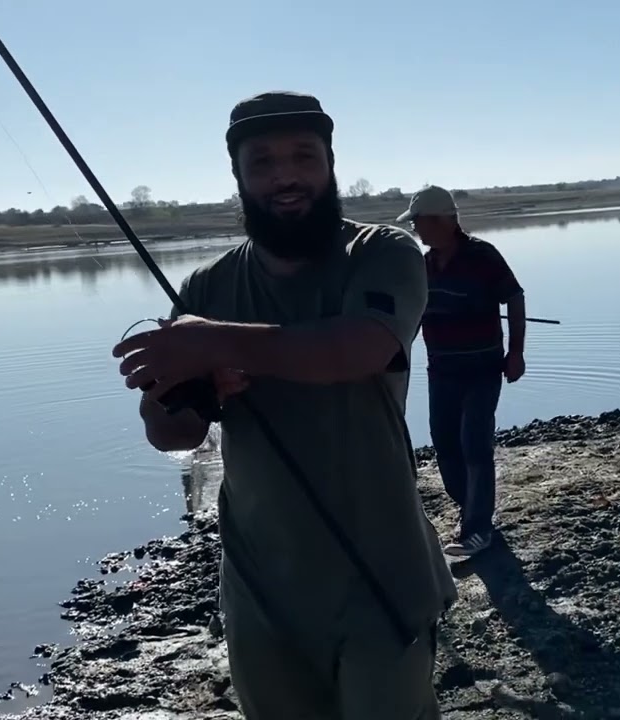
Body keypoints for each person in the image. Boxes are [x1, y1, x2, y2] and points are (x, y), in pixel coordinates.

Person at [111, 91, 456, 720]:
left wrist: (208, 341)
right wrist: (172, 387)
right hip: (259, 583)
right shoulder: (206, 288)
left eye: (303, 156)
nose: (286, 175)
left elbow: (357, 351)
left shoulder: (383, 253)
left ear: (330, 163)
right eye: (263, 162)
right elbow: (173, 434)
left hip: (382, 568)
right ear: (238, 176)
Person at [396, 185, 526, 558]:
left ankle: (477, 529)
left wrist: (515, 352)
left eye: (419, 222)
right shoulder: (423, 266)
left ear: (445, 221)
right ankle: (472, 509)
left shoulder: (483, 256)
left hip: (483, 369)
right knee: (445, 446)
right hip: (441, 371)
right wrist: (397, 354)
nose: (417, 230)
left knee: (474, 445)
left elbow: (514, 298)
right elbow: (414, 316)